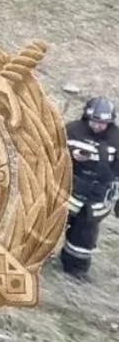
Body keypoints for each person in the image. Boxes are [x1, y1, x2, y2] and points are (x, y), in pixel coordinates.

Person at [60, 96, 118, 281]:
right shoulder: (72, 130)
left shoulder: (116, 138)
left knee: (85, 234)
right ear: (87, 117)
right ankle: (36, 255)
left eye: (103, 123)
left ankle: (76, 268)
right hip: (68, 190)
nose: (99, 126)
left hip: (96, 197)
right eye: (95, 121)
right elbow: (54, 153)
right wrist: (72, 155)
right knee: (52, 225)